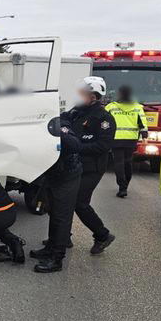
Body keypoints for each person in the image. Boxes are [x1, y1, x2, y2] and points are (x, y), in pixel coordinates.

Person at [66, 76, 117, 255]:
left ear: (93, 97)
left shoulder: (104, 118)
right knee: (64, 200)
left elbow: (103, 146)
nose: (78, 96)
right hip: (73, 165)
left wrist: (78, 147)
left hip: (91, 168)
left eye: (82, 93)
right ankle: (63, 237)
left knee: (79, 202)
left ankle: (102, 235)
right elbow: (63, 121)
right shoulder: (77, 111)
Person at [30, 116, 83, 273]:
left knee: (61, 216)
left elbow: (75, 145)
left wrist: (56, 131)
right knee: (53, 212)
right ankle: (51, 248)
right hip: (54, 174)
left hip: (68, 175)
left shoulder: (59, 122)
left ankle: (57, 259)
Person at [106, 85, 148, 197]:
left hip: (116, 139)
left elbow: (104, 122)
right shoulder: (137, 107)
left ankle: (122, 186)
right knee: (128, 162)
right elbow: (142, 123)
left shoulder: (111, 107)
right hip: (131, 139)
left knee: (118, 162)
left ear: (119, 93)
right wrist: (144, 135)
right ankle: (126, 184)